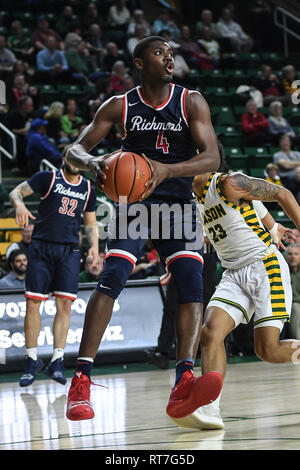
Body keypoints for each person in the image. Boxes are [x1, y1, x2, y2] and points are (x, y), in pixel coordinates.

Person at [64, 35, 222, 422]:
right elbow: (73, 151)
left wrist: (166, 169)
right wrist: (94, 163)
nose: (169, 58)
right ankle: (81, 380)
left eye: (171, 54)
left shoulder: (191, 100)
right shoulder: (121, 105)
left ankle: (184, 378)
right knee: (113, 275)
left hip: (178, 203)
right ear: (138, 63)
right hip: (134, 202)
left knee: (191, 280)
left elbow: (213, 157)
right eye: (159, 53)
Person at [187, 145, 300, 430]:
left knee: (267, 350)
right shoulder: (192, 198)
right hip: (233, 273)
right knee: (210, 333)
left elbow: (283, 194)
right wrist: (274, 229)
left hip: (264, 268)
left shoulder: (230, 182)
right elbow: (259, 214)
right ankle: (210, 409)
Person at [9, 154, 99, 388]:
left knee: (65, 305)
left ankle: (57, 361)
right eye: (71, 155)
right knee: (33, 303)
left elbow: (90, 224)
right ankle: (31, 361)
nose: (75, 161)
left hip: (69, 250)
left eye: (79, 158)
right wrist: (19, 204)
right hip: (41, 246)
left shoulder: (88, 188)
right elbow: (16, 192)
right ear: (64, 159)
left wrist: (95, 248)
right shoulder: (47, 178)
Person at [285, 244, 300, 339]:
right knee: (295, 308)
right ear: (285, 256)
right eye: (290, 254)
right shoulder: (281, 269)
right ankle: (298, 344)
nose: (293, 257)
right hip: (290, 304)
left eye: (296, 254)